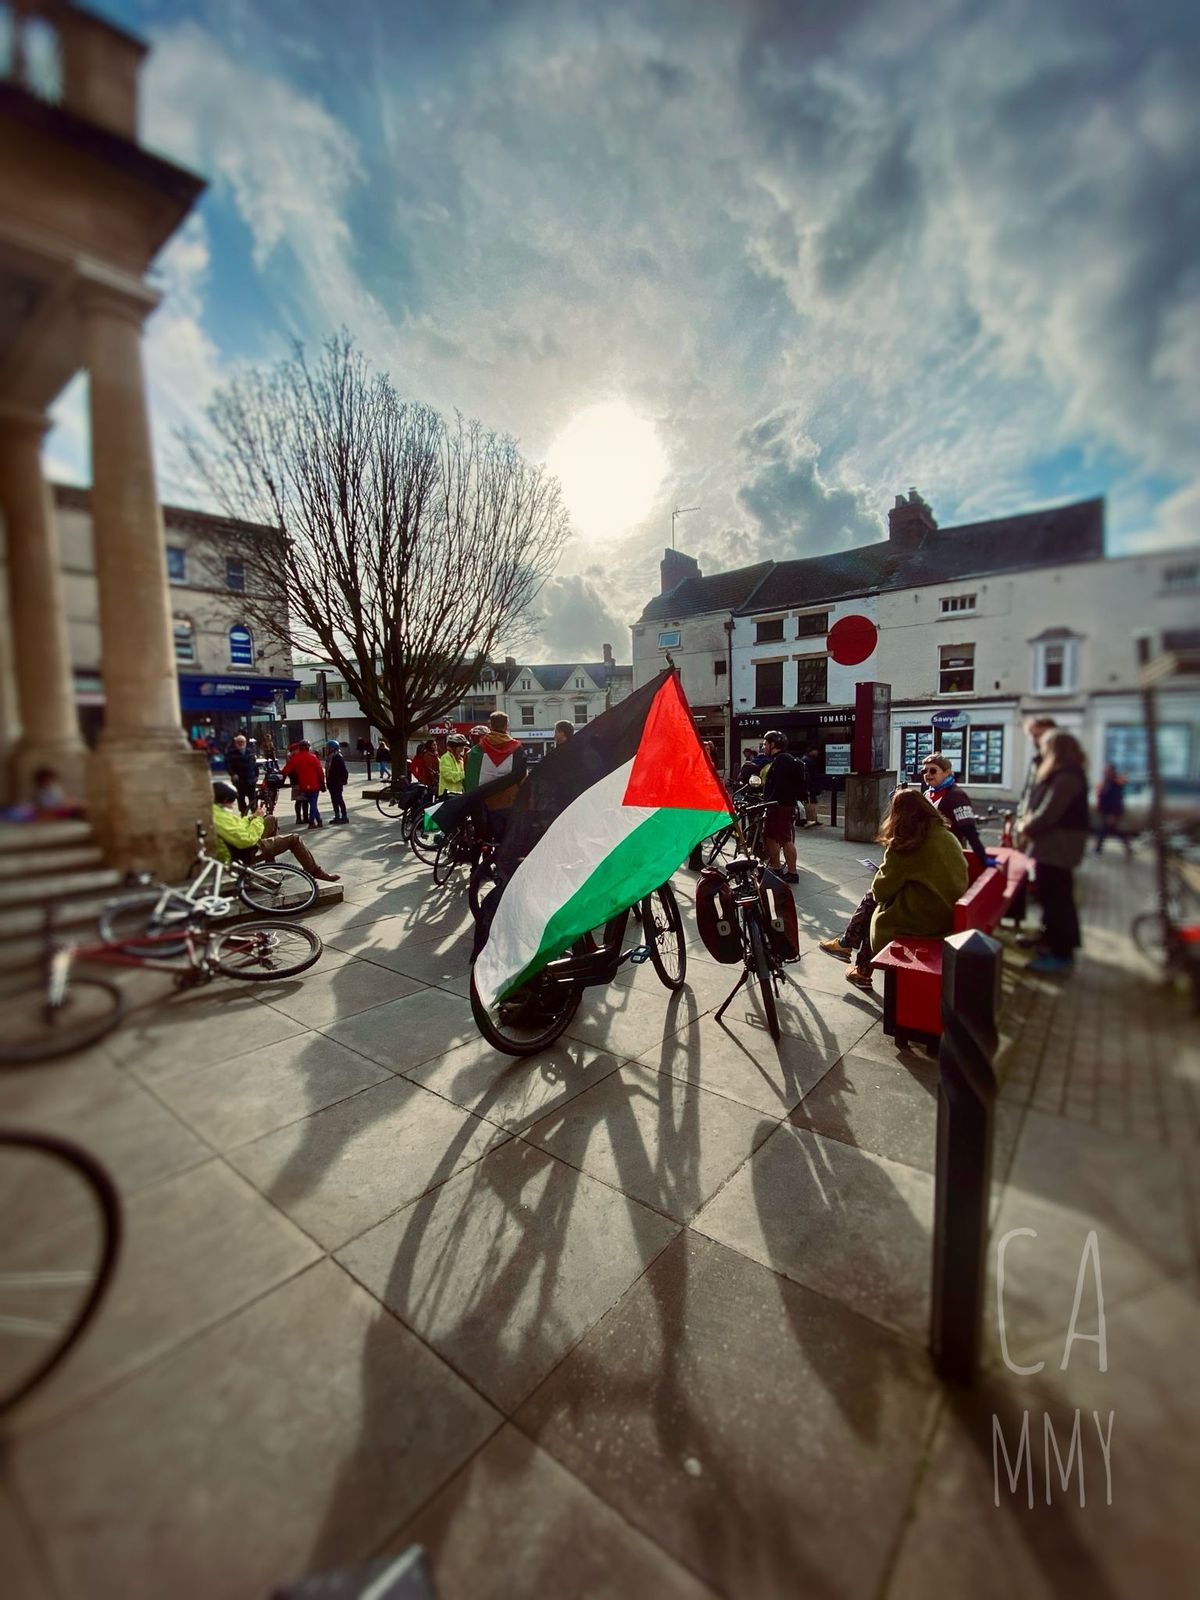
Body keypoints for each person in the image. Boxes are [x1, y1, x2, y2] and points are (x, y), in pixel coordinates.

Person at [823, 789, 969, 991]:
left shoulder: (908, 843)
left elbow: (880, 890)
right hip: (946, 917)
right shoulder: (946, 836)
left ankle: (850, 947)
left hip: (922, 926)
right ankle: (854, 958)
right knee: (877, 904)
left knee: (874, 904)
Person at [1018, 729, 1089, 973]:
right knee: (1051, 898)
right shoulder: (1063, 773)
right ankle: (1051, 941)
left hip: (1057, 848)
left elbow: (1049, 811)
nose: (1042, 750)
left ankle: (1062, 954)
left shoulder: (1067, 776)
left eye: (1046, 746)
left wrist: (1027, 826)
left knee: (1057, 900)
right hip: (1054, 847)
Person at [210, 780, 339, 881]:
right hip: (243, 853)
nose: (232, 804)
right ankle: (316, 872)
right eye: (231, 801)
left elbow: (237, 826)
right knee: (294, 839)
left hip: (238, 847)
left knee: (270, 819)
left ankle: (271, 865)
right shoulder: (220, 817)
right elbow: (247, 840)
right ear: (225, 799)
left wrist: (252, 818)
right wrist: (258, 819)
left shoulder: (216, 811)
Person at [463, 710, 527, 840]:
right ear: (506, 726)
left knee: (482, 840)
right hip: (508, 802)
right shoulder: (517, 748)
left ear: (490, 726)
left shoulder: (474, 752)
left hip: (482, 803)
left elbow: (469, 780)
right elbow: (522, 777)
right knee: (504, 841)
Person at [919, 753, 987, 864]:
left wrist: (982, 856)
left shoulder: (957, 796)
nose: (927, 774)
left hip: (950, 855)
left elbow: (969, 830)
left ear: (946, 772)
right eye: (924, 771)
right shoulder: (927, 794)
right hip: (931, 853)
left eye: (933, 771)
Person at [759, 729, 807, 884]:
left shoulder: (782, 760)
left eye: (766, 743)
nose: (763, 747)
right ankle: (776, 868)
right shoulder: (778, 759)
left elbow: (780, 786)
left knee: (785, 839)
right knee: (769, 837)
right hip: (777, 806)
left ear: (774, 744)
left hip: (781, 807)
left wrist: (769, 801)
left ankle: (792, 873)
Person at [280, 739, 326, 828]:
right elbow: (320, 772)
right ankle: (312, 822)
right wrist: (322, 783)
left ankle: (319, 820)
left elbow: (286, 770)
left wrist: (281, 778)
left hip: (303, 784)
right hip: (314, 783)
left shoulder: (295, 758)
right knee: (313, 803)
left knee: (312, 803)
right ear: (308, 748)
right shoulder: (313, 757)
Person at [1095, 763, 1131, 856]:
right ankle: (1098, 848)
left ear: (1111, 771)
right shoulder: (1107, 781)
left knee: (1106, 830)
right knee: (1108, 829)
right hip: (1106, 810)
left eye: (1107, 770)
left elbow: (1115, 799)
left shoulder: (1115, 783)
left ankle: (1098, 849)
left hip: (1111, 812)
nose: (1105, 772)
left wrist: (1113, 814)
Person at [224, 733, 259, 816]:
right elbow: (228, 765)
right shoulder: (232, 753)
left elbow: (254, 765)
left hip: (251, 779)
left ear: (245, 742)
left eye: (242, 742)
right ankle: (243, 813)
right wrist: (233, 774)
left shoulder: (250, 752)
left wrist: (256, 775)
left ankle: (254, 812)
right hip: (239, 780)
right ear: (236, 743)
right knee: (240, 798)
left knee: (252, 798)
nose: (241, 743)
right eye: (239, 742)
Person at [326, 740, 349, 824]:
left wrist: (344, 780)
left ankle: (344, 816)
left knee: (339, 799)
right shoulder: (330, 757)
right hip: (331, 782)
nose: (327, 749)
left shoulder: (337, 757)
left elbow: (344, 771)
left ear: (333, 748)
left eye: (328, 747)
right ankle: (337, 816)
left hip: (336, 782)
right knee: (334, 800)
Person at [799, 747, 823, 827]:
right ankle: (812, 819)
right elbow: (809, 775)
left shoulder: (806, 759)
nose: (817, 752)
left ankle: (813, 818)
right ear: (812, 751)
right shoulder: (807, 760)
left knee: (812, 801)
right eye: (816, 750)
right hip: (810, 785)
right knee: (811, 801)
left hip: (810, 784)